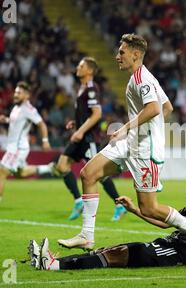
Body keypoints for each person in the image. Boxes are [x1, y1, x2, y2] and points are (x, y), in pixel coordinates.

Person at [57, 33, 186, 262]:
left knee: (150, 208)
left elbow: (154, 108)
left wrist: (128, 128)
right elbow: (166, 106)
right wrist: (146, 129)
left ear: (135, 54)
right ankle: (87, 235)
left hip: (144, 150)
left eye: (122, 52)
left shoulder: (142, 79)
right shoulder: (140, 77)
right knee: (88, 173)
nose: (117, 56)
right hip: (133, 142)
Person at [28, 169, 186, 270]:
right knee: (110, 250)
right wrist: (135, 210)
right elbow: (166, 222)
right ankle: (51, 262)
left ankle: (52, 266)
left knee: (120, 253)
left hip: (177, 255)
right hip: (165, 245)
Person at [39, 57, 126, 221]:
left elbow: (97, 114)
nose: (77, 67)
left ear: (90, 70)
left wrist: (81, 130)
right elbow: (86, 113)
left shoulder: (92, 88)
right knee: (62, 165)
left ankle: (119, 205)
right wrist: (76, 122)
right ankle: (79, 201)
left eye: (81, 65)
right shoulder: (82, 88)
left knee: (97, 173)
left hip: (88, 138)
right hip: (80, 135)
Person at [0, 81, 52, 214]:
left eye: (19, 93)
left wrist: (45, 140)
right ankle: (48, 168)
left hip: (17, 148)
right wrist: (6, 120)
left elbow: (41, 124)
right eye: (15, 92)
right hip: (14, 147)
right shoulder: (16, 108)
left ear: (27, 95)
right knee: (21, 173)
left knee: (1, 173)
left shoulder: (29, 109)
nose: (15, 94)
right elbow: (17, 122)